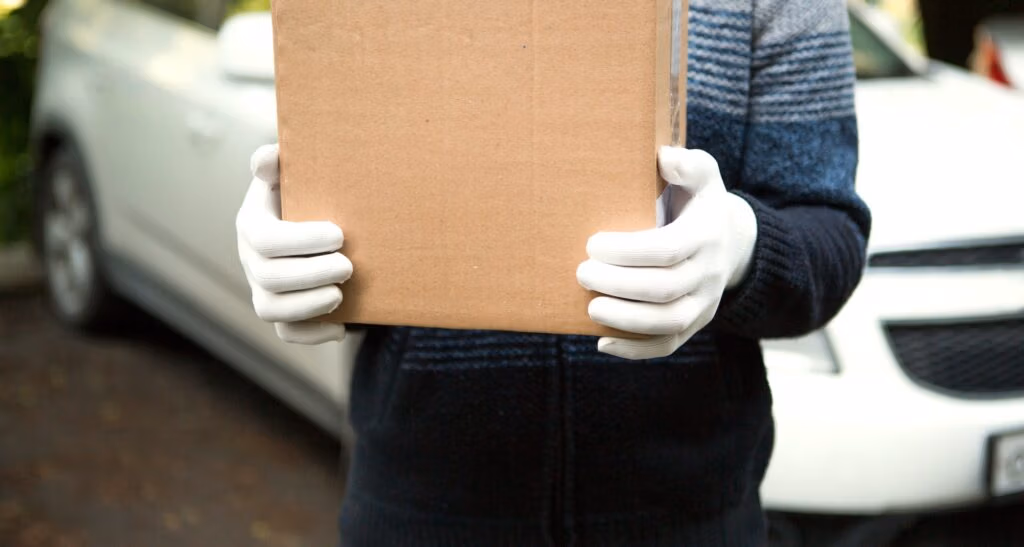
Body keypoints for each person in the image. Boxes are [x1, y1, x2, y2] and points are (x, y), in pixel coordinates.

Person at [235, 0, 871, 544]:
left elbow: (830, 234)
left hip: (690, 513)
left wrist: (743, 246)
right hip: (422, 504)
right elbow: (347, 189)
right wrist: (298, 258)